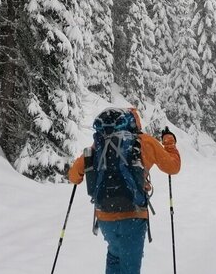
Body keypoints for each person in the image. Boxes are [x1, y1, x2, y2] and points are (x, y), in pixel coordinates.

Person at [68, 107, 180, 274]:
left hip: (105, 217)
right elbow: (173, 166)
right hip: (132, 216)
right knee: (129, 267)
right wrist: (169, 142)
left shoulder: (98, 145)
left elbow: (73, 176)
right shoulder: (143, 142)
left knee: (115, 253)